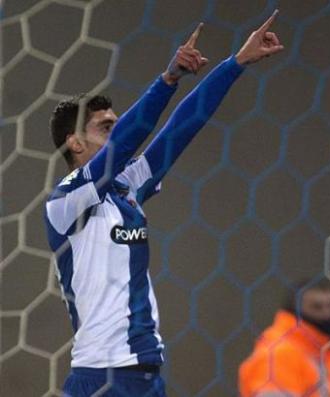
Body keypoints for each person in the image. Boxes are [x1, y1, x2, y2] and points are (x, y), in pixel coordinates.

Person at [44, 11, 283, 396]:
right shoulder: (67, 201)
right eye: (106, 127)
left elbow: (182, 127)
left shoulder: (128, 186)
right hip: (103, 376)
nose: (116, 133)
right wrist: (167, 80)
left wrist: (235, 63)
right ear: (74, 143)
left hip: (146, 372)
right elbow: (128, 140)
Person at [239, 280, 330, 397]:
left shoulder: (323, 351)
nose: (327, 313)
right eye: (316, 307)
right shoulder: (279, 354)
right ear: (295, 309)